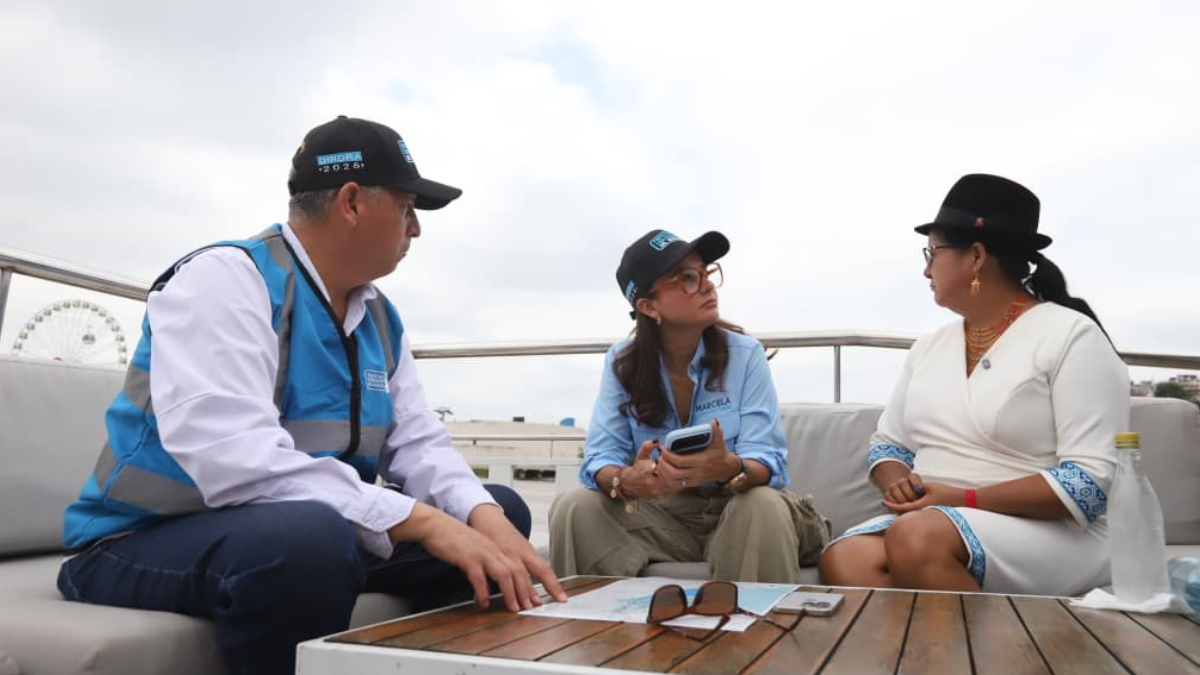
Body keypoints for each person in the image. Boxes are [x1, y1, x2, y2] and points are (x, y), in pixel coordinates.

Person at [57, 115, 566, 674]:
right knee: (308, 537)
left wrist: (480, 514)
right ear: (351, 202)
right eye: (406, 207)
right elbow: (234, 459)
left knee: (499, 510)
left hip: (303, 535)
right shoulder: (226, 279)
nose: (415, 228)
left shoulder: (378, 317)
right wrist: (421, 521)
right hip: (143, 540)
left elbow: (419, 441)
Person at [818, 174, 1129, 596]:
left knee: (917, 538)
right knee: (845, 557)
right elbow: (889, 446)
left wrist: (960, 499)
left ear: (977, 256)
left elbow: (1088, 485)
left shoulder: (1072, 336)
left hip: (1052, 529)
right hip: (932, 517)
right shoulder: (928, 348)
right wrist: (898, 483)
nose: (926, 269)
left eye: (933, 252)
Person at [549, 230, 829, 583]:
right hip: (665, 520)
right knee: (576, 508)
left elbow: (769, 461)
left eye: (706, 273)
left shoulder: (745, 354)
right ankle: (608, 634)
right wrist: (627, 480)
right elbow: (600, 458)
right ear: (648, 306)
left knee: (759, 506)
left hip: (738, 506)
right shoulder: (622, 362)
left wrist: (729, 466)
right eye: (687, 278)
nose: (708, 286)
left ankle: (754, 638)